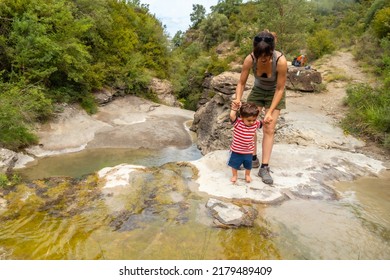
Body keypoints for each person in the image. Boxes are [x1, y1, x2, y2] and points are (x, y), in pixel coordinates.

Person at [232, 29, 287, 185]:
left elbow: (280, 89)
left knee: (268, 127)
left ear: (272, 51)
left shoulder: (280, 61)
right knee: (248, 122)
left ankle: (264, 167)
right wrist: (237, 98)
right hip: (258, 90)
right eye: (259, 56)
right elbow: (241, 83)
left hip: (274, 93)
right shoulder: (250, 59)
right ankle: (252, 158)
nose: (263, 59)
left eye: (266, 56)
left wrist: (269, 112)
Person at [228, 102, 263, 184]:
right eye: (249, 120)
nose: (252, 122)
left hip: (248, 151)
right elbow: (232, 116)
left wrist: (267, 120)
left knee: (248, 165)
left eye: (254, 120)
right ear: (242, 117)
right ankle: (235, 175)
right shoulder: (238, 123)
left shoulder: (255, 123)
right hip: (236, 150)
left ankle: (247, 175)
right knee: (234, 164)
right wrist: (234, 109)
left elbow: (262, 122)